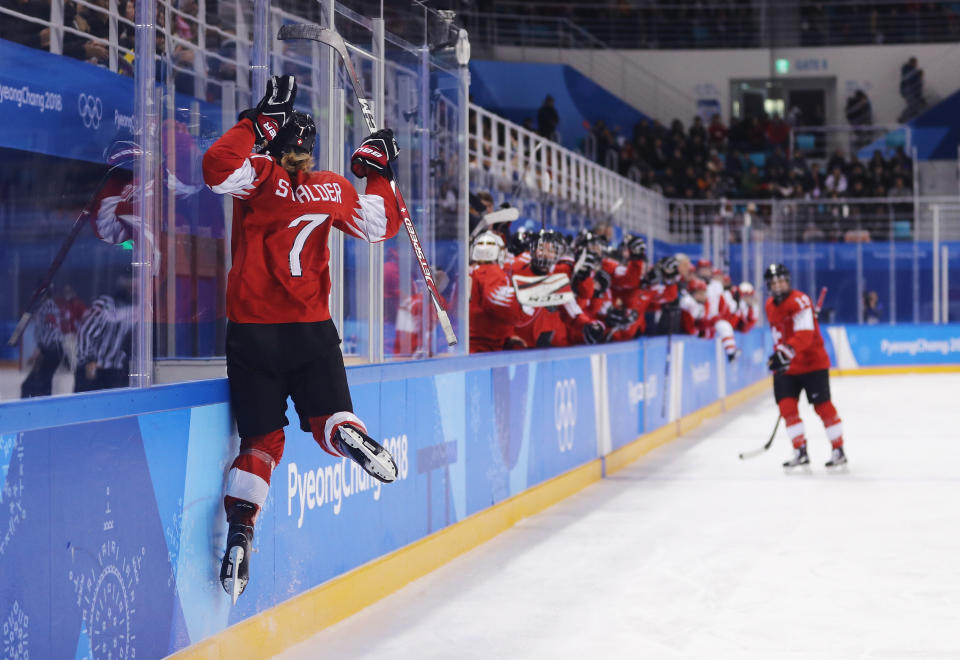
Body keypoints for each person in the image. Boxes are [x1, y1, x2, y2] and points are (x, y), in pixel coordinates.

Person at [201, 75, 404, 600]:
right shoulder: (334, 187)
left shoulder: (261, 177)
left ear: (275, 141)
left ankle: (243, 525)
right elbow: (383, 226)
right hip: (313, 331)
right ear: (310, 151)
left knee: (263, 442)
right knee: (327, 417)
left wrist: (253, 121)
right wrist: (379, 172)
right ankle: (345, 432)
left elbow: (216, 168)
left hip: (253, 335)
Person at [764, 264, 847, 469]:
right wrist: (781, 358)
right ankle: (800, 450)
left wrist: (785, 353)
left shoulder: (800, 301)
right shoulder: (769, 305)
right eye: (773, 283)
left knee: (823, 407)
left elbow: (805, 334)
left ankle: (838, 449)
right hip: (787, 367)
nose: (777, 286)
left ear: (788, 281)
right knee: (786, 407)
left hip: (812, 364)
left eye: (781, 281)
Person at [19, 292, 64, 398]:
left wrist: (38, 353)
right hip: (54, 350)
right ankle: (44, 405)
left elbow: (47, 333)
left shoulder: (44, 308)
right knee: (42, 382)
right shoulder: (52, 307)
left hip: (50, 351)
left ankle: (32, 409)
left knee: (34, 385)